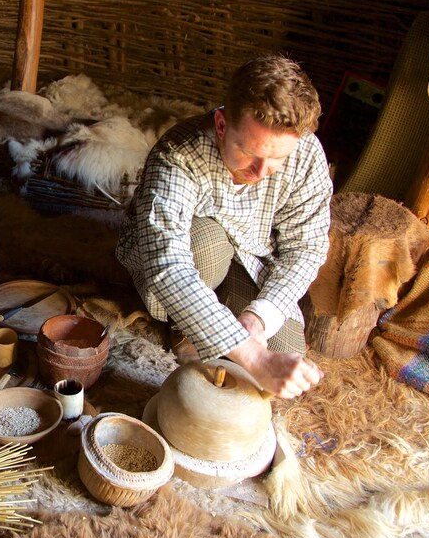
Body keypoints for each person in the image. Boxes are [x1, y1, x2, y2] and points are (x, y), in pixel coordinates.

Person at [115, 54, 330, 399]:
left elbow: (306, 249)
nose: (261, 172)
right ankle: (184, 330)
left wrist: (257, 321)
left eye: (277, 158)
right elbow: (168, 266)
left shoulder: (306, 156)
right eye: (249, 152)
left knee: (285, 352)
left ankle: (224, 318)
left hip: (253, 259)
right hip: (198, 252)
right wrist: (253, 355)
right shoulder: (178, 154)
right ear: (221, 125)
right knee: (204, 247)